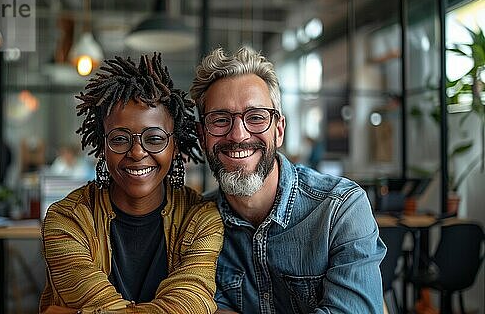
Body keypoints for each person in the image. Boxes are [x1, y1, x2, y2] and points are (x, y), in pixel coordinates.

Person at [190, 47, 386, 313]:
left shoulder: (339, 209)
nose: (237, 135)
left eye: (256, 117)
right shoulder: (197, 224)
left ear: (279, 130)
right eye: (220, 120)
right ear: (202, 136)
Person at [39, 53, 224, 313]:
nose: (137, 152)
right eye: (119, 139)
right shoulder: (67, 220)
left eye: (155, 139)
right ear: (102, 146)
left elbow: (190, 305)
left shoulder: (201, 219)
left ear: (175, 145)